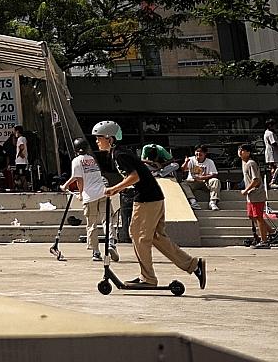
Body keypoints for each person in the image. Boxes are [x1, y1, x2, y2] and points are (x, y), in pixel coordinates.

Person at [94, 120, 206, 290]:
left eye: (99, 138)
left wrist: (115, 189)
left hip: (147, 198)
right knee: (156, 238)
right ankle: (194, 265)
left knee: (138, 236)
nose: (96, 141)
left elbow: (135, 176)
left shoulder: (120, 154)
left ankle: (148, 278)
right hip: (154, 196)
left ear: (109, 139)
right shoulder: (119, 153)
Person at [64, 137, 113, 262]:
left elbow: (78, 179)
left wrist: (78, 193)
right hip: (103, 192)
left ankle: (96, 252)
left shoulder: (76, 160)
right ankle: (111, 243)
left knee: (92, 224)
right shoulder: (91, 159)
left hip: (90, 196)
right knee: (107, 220)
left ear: (75, 150)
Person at [238, 143, 276, 249]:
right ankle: (272, 233)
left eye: (243, 150)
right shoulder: (244, 163)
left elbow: (256, 180)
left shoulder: (251, 163)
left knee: (258, 217)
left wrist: (246, 190)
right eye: (239, 150)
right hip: (251, 196)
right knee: (251, 215)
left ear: (248, 152)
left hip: (257, 194)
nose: (240, 152)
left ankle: (264, 241)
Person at [183, 145, 222, 209]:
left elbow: (214, 174)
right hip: (193, 182)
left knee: (215, 181)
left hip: (206, 182)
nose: (198, 153)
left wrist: (203, 178)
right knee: (183, 183)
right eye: (197, 151)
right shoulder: (191, 159)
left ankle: (213, 202)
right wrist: (186, 162)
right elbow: (183, 169)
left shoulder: (210, 161)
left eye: (201, 151)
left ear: (205, 153)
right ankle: (193, 202)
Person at [263, 119, 278, 188]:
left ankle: (273, 181)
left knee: (273, 167)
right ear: (270, 125)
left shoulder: (266, 133)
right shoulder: (270, 133)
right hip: (273, 153)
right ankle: (273, 181)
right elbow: (274, 144)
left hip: (270, 152)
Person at [12, 126, 31, 191]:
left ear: (17, 131)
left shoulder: (20, 139)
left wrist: (20, 154)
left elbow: (22, 146)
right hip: (22, 161)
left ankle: (24, 189)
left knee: (21, 176)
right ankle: (24, 188)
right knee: (21, 176)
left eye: (14, 131)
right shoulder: (24, 138)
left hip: (21, 162)